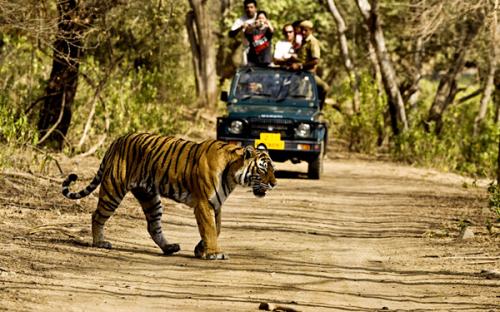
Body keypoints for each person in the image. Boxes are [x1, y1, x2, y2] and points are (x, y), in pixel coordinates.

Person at [290, 20, 329, 106]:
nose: (303, 32)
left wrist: (300, 66)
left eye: (306, 30)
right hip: (298, 73)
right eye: (302, 30)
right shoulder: (301, 41)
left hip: (308, 73)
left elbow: (315, 60)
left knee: (324, 88)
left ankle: (318, 108)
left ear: (311, 30)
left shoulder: (313, 42)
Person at [229, 0, 258, 66]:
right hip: (247, 50)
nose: (249, 9)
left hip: (261, 49)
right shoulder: (240, 20)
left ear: (255, 8)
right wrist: (241, 27)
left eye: (251, 7)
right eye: (247, 7)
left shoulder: (260, 17)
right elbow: (231, 34)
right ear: (244, 9)